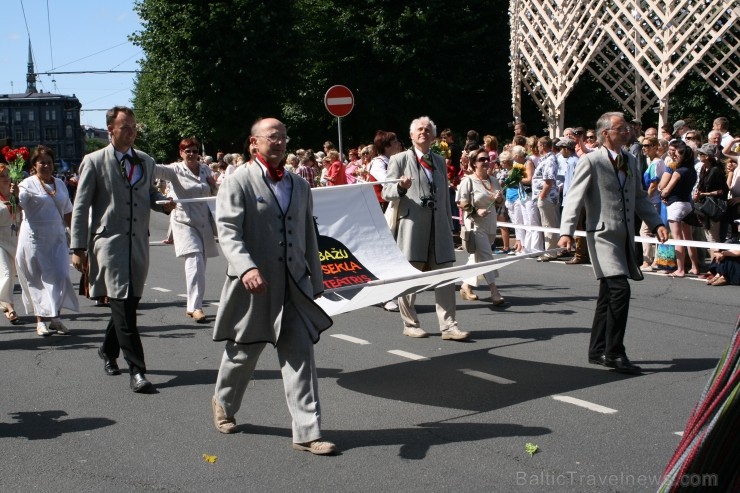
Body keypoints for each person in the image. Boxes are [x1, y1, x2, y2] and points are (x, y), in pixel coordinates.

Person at [210, 117, 336, 455]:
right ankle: (223, 402)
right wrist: (246, 268)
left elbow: (309, 234)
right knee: (243, 352)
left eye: (283, 137)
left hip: (294, 286)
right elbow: (228, 231)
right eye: (271, 137)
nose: (279, 142)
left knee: (300, 355)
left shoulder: (299, 184)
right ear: (254, 143)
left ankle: (308, 432)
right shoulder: (238, 182)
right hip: (255, 286)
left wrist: (316, 278)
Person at [71, 106, 174, 393]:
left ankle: (107, 349)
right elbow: (80, 208)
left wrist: (162, 204)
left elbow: (149, 194)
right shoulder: (93, 161)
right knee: (123, 305)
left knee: (128, 303)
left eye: (133, 127)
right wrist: (77, 247)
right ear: (110, 130)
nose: (131, 132)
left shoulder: (145, 161)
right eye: (125, 127)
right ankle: (137, 370)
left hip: (138, 242)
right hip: (109, 244)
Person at [559, 112, 669, 374]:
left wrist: (657, 223)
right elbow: (574, 198)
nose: (627, 131)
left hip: (624, 236)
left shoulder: (630, 159)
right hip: (602, 235)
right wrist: (566, 231)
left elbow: (640, 197)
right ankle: (614, 352)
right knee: (620, 291)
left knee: (608, 295)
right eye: (621, 128)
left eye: (627, 127)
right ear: (605, 133)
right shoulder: (592, 161)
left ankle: (597, 350)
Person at [381, 116, 469, 341]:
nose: (423, 132)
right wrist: (401, 187)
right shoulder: (400, 159)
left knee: (446, 277)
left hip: (438, 228)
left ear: (433, 135)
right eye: (419, 129)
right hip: (411, 227)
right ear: (411, 136)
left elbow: (444, 196)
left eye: (428, 129)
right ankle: (410, 323)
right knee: (410, 277)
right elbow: (386, 192)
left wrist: (450, 226)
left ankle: (449, 327)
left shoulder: (439, 160)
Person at [14, 146, 79, 336]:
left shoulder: (59, 184)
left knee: (60, 276)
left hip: (57, 238)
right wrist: (15, 194)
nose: (46, 165)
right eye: (42, 162)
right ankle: (40, 321)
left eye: (49, 162)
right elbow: (19, 205)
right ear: (34, 165)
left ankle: (56, 318)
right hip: (34, 238)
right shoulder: (26, 184)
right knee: (37, 279)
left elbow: (68, 212)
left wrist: (76, 236)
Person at [154, 138, 219, 323]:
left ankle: (194, 303)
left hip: (203, 221)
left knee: (201, 265)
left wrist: (213, 184)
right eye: (187, 151)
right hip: (183, 220)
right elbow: (154, 169)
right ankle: (195, 307)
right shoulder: (174, 169)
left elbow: (214, 193)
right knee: (195, 260)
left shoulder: (206, 169)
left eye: (194, 151)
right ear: (181, 153)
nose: (191, 154)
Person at [457, 148, 506, 304]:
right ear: (473, 164)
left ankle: (465, 286)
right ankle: (494, 291)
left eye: (487, 159)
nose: (485, 162)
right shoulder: (468, 181)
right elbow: (460, 202)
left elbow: (501, 202)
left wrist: (498, 199)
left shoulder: (494, 180)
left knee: (477, 258)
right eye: (481, 159)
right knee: (486, 257)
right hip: (475, 224)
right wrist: (476, 210)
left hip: (490, 224)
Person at [659, 139, 701, 277]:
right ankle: (695, 267)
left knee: (677, 239)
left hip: (676, 205)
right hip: (687, 204)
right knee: (688, 239)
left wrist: (663, 194)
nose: (675, 155)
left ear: (684, 155)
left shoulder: (678, 172)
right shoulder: (692, 171)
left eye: (678, 153)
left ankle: (681, 269)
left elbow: (666, 190)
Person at [693, 143, 729, 252]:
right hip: (705, 206)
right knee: (709, 237)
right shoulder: (704, 168)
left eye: (701, 153)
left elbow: (723, 191)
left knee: (714, 238)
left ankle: (716, 267)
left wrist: (704, 194)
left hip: (714, 207)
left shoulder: (716, 170)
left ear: (707, 156)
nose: (699, 155)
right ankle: (714, 266)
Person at [0, 164, 20, 324]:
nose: (6, 178)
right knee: (6, 272)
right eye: (2, 176)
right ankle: (9, 307)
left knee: (11, 275)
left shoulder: (15, 194)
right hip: (0, 239)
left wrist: (17, 197)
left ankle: (8, 304)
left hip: (15, 237)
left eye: (7, 175)